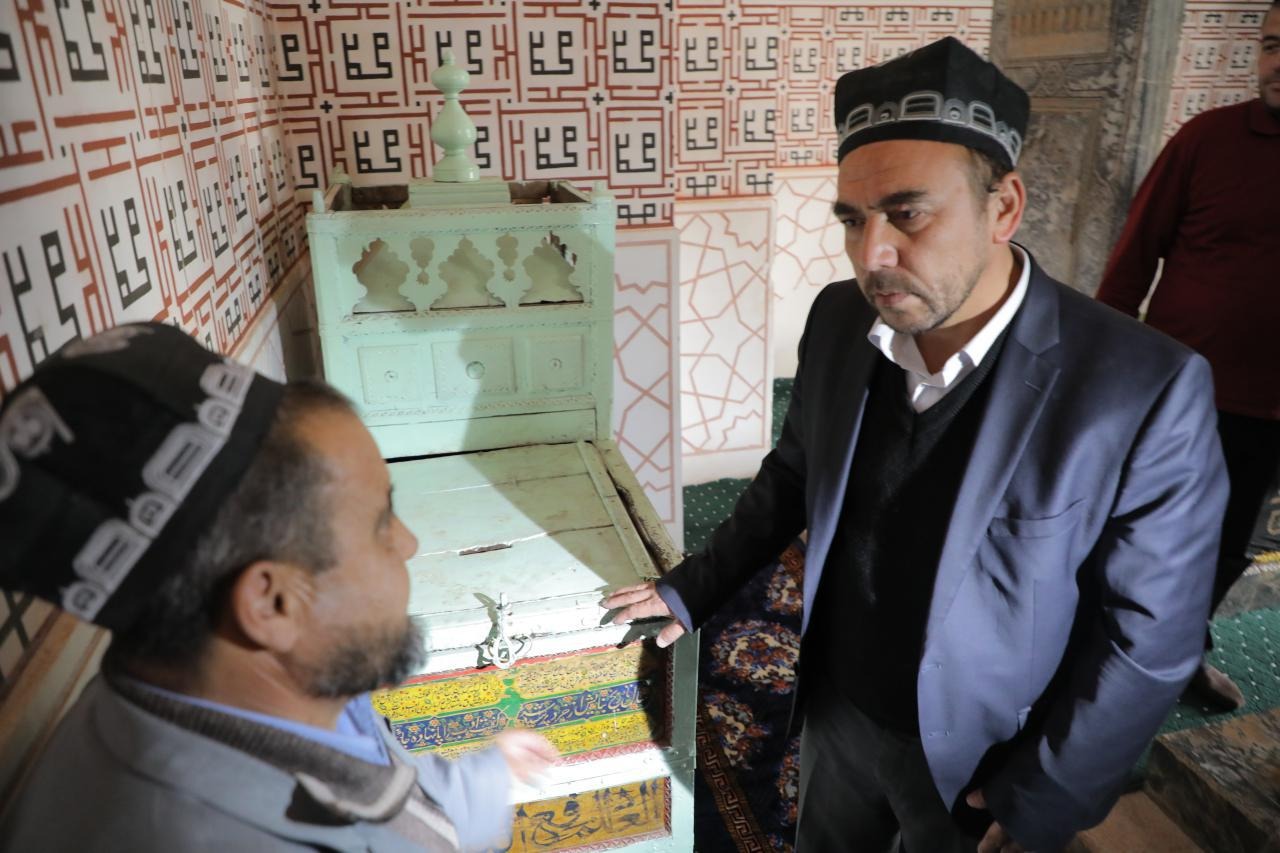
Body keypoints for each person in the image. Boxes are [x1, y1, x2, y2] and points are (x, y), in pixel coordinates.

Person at [606, 37, 1228, 853]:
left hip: (982, 758)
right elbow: (793, 473)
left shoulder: (1140, 388)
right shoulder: (841, 320)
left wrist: (1047, 792)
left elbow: (1149, 637)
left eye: (908, 213)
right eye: (852, 219)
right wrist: (694, 586)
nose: (872, 255)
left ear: (1004, 207)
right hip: (837, 706)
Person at [0, 323, 557, 852]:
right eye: (381, 523)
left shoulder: (264, 690)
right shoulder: (193, 836)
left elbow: (371, 784)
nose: (408, 543)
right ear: (272, 605)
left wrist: (488, 779)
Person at [1096, 1, 1280, 712]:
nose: (1277, 63)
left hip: (1270, 410)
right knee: (1144, 532)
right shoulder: (1208, 139)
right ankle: (1098, 653)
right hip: (1185, 392)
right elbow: (1134, 254)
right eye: (1271, 45)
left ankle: (1179, 655)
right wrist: (1109, 372)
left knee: (1233, 543)